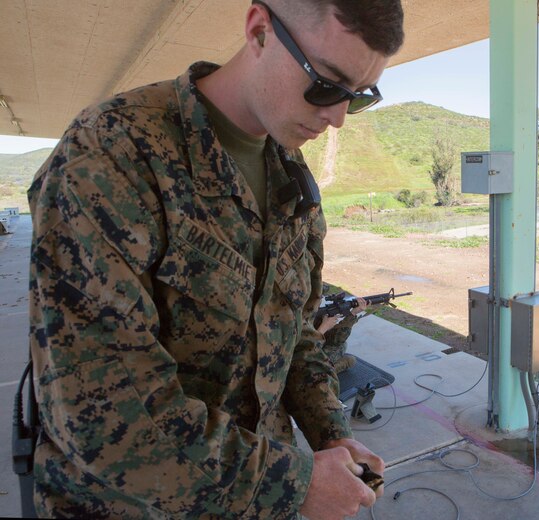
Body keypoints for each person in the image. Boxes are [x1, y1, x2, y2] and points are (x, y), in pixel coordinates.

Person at [26, 1, 404, 518]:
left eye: (357, 98)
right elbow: (100, 416)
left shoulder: (288, 172)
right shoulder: (110, 154)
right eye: (326, 85)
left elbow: (295, 336)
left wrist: (331, 437)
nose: (337, 118)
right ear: (260, 31)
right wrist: (293, 485)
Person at [316, 290, 369, 374]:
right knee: (350, 360)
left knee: (341, 345)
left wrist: (353, 313)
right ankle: (328, 371)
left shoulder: (312, 313)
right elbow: (306, 348)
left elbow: (336, 340)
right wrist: (323, 328)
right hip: (297, 361)